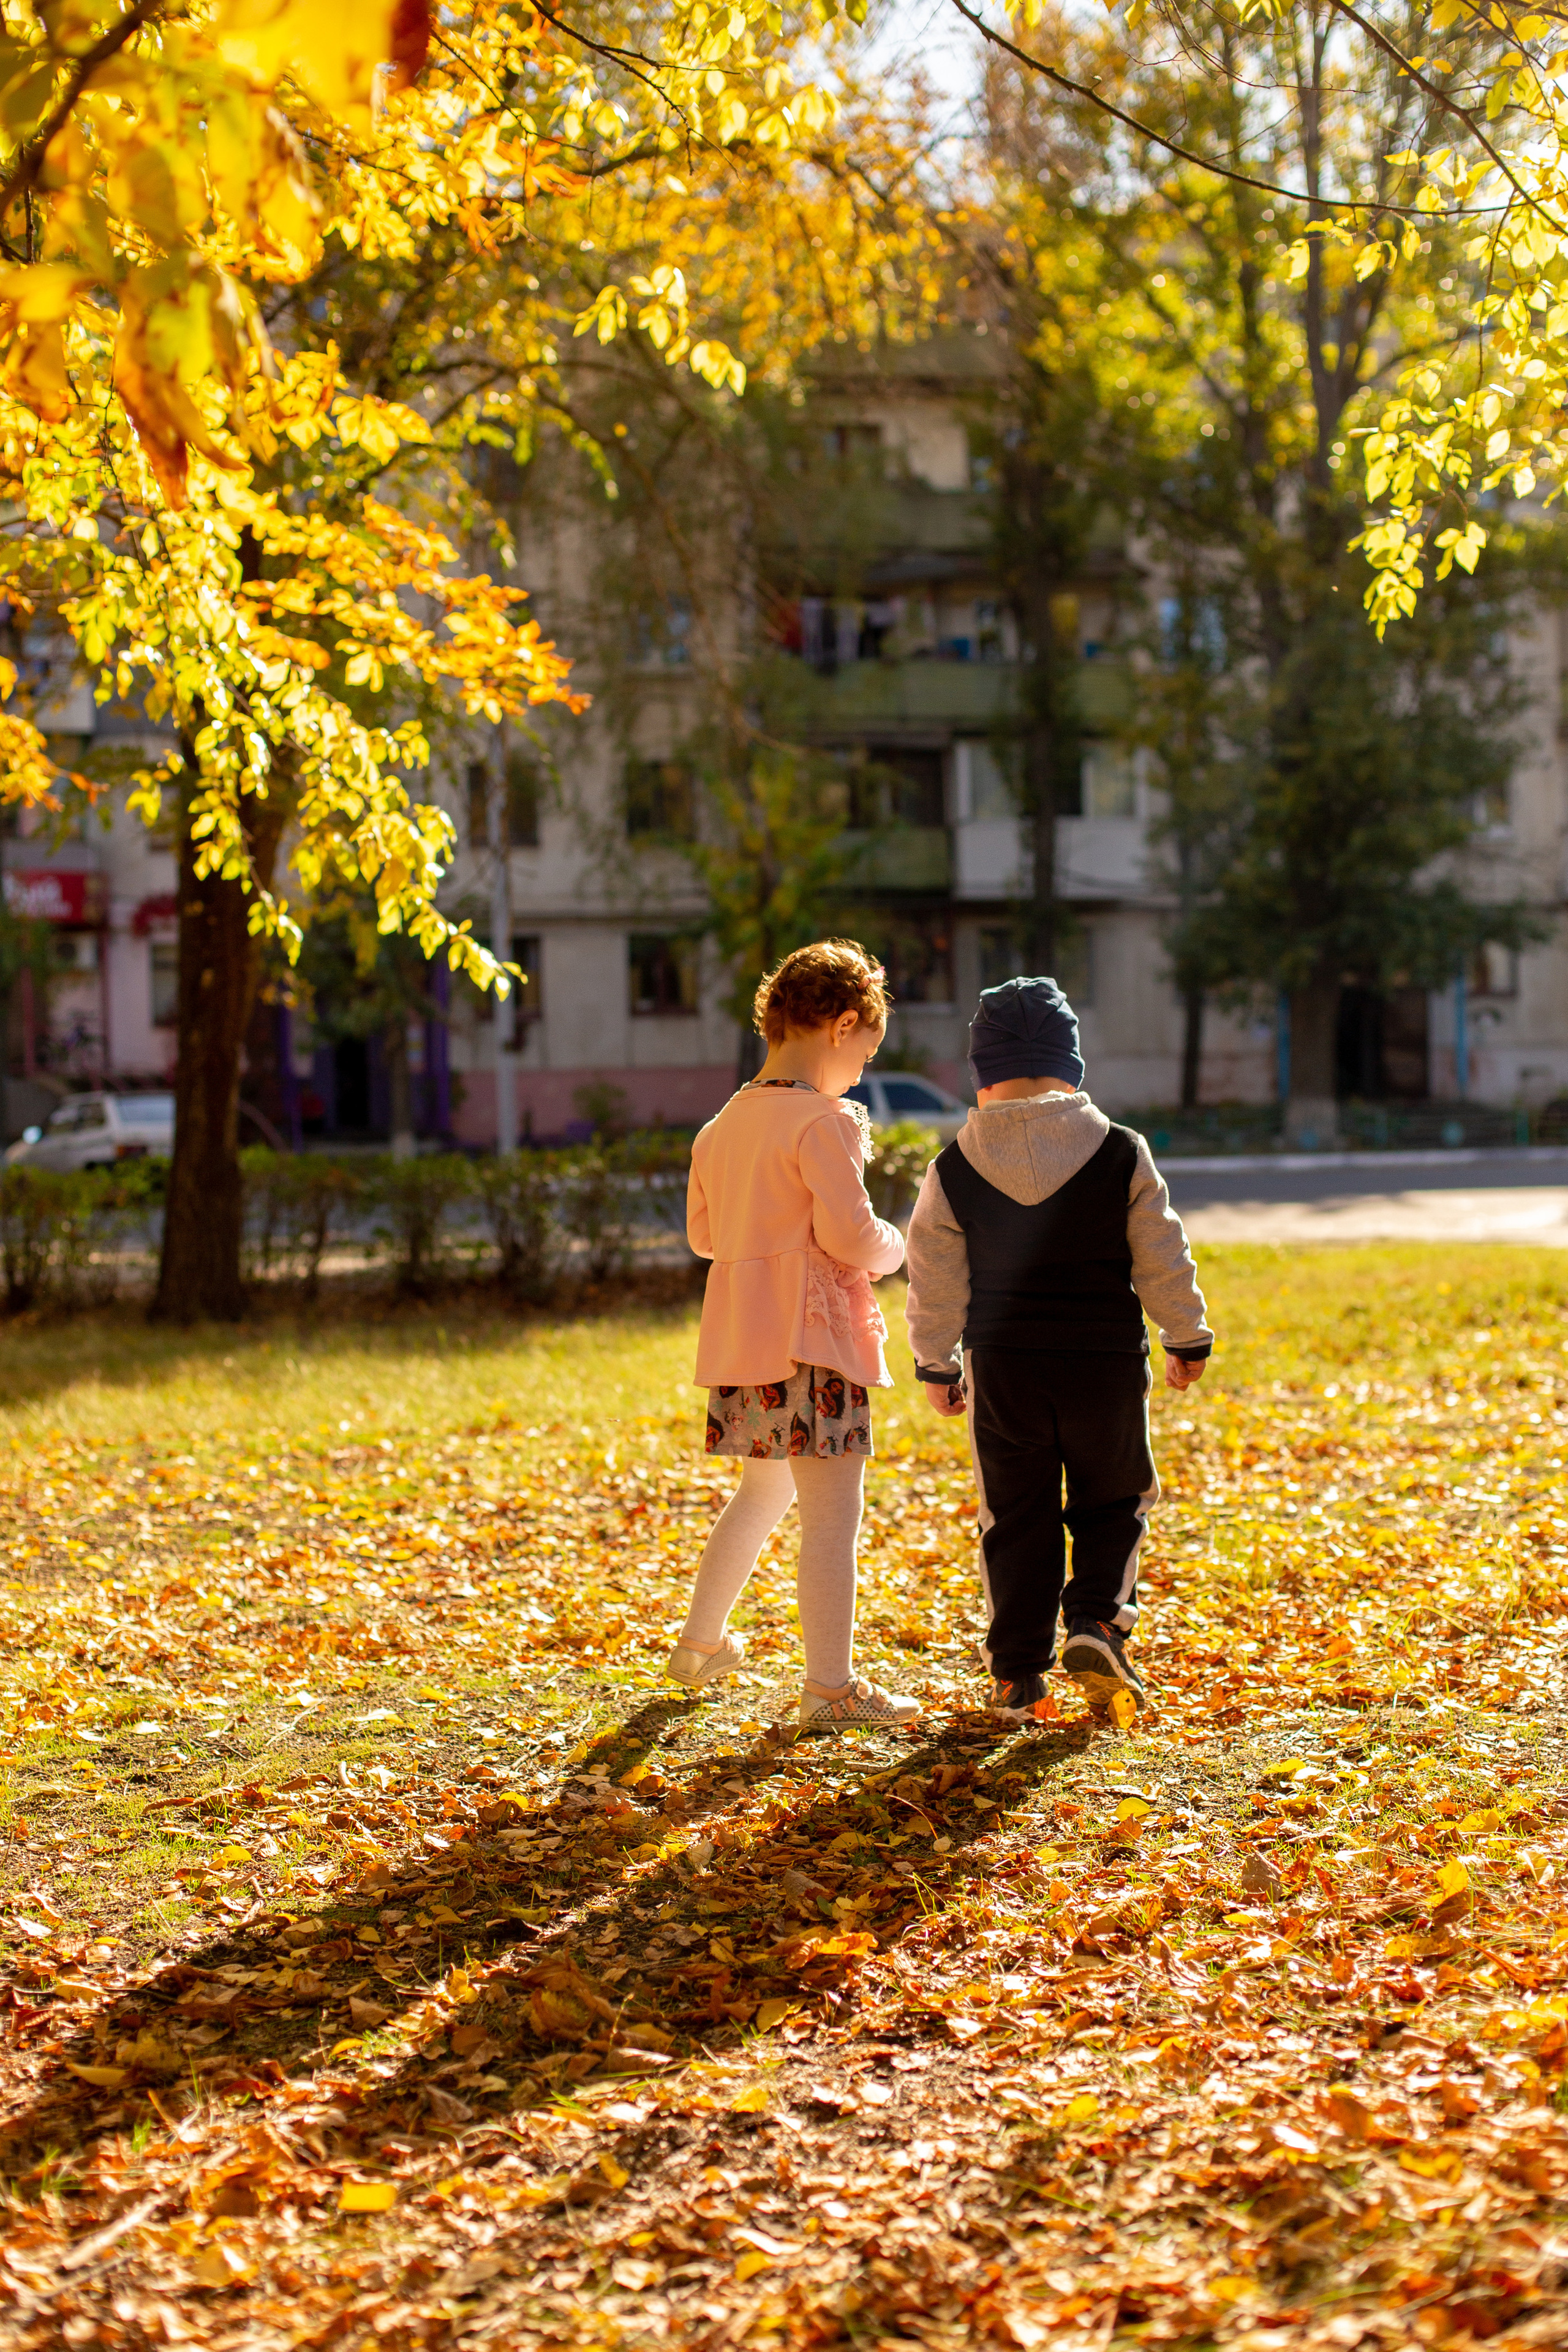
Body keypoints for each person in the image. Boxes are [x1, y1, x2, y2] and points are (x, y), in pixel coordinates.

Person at [903, 975, 1212, 1721]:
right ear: (1070, 1064)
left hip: (1002, 1366)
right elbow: (1160, 1253)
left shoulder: (953, 1168)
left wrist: (935, 1360)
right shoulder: (1119, 1151)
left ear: (982, 1072)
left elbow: (933, 1274)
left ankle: (1015, 1672)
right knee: (1114, 1498)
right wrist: (1186, 1333)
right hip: (1103, 1363)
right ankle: (1099, 1621)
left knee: (1014, 1513)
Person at [666, 939, 922, 1735]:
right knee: (834, 1511)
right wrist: (899, 1244)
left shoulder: (719, 1128)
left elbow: (705, 1238)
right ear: (844, 1025)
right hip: (814, 1343)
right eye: (865, 1053)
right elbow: (851, 1238)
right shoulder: (823, 1121)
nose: (859, 1073)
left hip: (748, 1345)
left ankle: (701, 1644)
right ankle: (830, 1687)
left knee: (767, 1487)